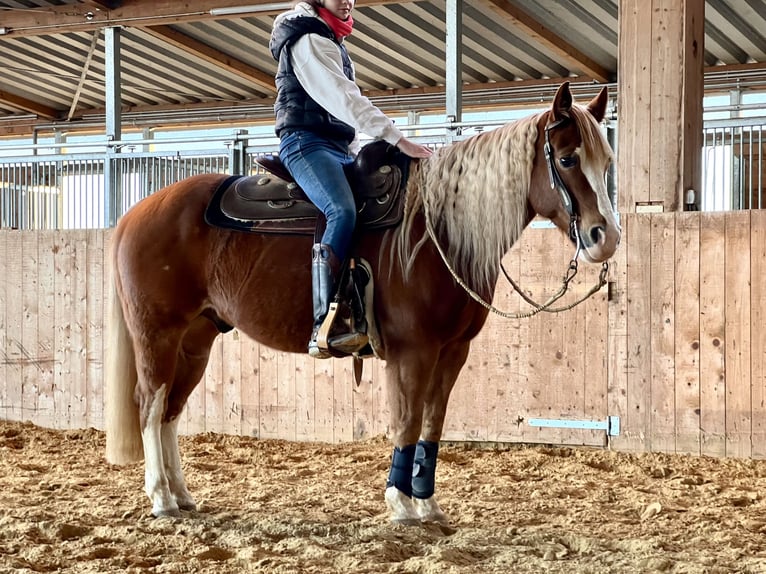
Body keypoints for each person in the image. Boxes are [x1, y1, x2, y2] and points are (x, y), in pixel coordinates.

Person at [270, 0, 433, 359]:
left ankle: (367, 309)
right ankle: (324, 324)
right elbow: (345, 100)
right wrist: (396, 138)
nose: (347, 1)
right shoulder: (309, 38)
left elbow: (339, 114)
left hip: (337, 145)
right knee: (341, 210)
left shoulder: (330, 38)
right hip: (305, 143)